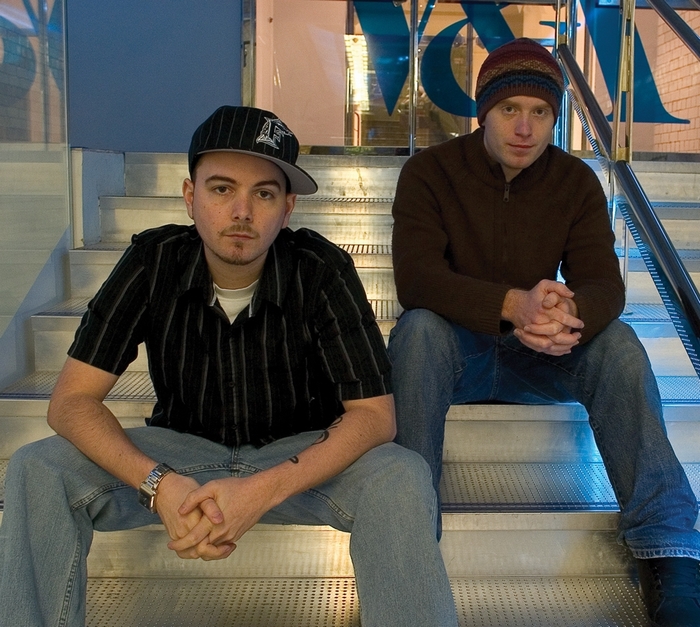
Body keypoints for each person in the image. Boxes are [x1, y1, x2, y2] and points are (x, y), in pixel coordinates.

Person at [0, 105, 458, 627]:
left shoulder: (321, 269)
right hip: (182, 453)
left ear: (287, 208)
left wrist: (262, 490)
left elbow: (375, 416)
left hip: (297, 456)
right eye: (221, 189)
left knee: (401, 474)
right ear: (190, 196)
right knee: (38, 468)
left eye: (263, 194)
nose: (242, 211)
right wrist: (160, 485)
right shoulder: (153, 261)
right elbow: (71, 402)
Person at [388, 38, 700, 627]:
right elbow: (418, 279)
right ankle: (405, 538)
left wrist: (564, 316)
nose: (525, 128)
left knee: (619, 343)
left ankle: (669, 550)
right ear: (484, 111)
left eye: (540, 112)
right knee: (418, 331)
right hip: (458, 353)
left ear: (555, 116)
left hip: (539, 357)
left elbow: (604, 285)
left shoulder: (575, 181)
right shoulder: (429, 173)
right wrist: (515, 305)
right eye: (510, 109)